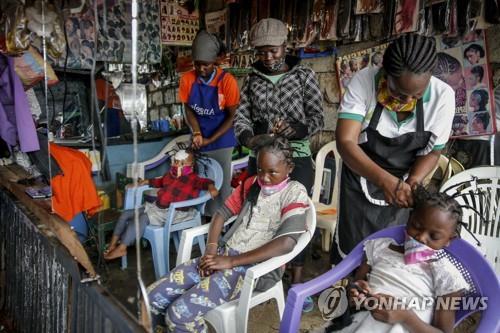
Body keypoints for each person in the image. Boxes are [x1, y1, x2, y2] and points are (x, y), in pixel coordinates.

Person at [146, 136, 310, 332]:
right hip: (224, 255)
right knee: (152, 297)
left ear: (289, 169)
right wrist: (211, 251)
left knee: (178, 315)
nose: (264, 178)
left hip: (256, 268)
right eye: (260, 170)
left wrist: (231, 262)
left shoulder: (294, 192)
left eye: (272, 172)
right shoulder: (252, 185)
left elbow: (286, 243)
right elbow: (220, 215)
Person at [331, 33, 455, 265]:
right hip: (360, 177)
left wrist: (414, 182)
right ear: (385, 73)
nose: (406, 100)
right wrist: (385, 181)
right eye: (398, 92)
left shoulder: (443, 97)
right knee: (353, 253)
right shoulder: (364, 81)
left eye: (416, 95)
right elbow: (346, 142)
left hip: (405, 183)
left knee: (391, 256)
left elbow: (433, 151)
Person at [234, 18, 324, 292]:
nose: (268, 56)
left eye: (273, 50)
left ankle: (296, 280)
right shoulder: (251, 79)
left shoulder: (303, 76)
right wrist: (250, 138)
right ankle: (257, 271)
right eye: (261, 52)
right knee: (256, 213)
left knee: (296, 218)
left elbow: (318, 118)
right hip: (261, 159)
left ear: (285, 46)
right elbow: (240, 118)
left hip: (295, 157)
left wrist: (296, 129)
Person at [339, 187, 469, 332]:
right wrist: (356, 292)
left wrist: (406, 318)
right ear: (409, 218)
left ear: (449, 240)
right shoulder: (380, 248)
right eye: (416, 226)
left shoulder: (446, 275)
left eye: (434, 236)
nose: (421, 237)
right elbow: (355, 292)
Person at [104, 149, 218, 260]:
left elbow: (206, 182)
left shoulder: (193, 179)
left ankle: (122, 247)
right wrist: (147, 181)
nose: (178, 165)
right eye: (176, 161)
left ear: (191, 164)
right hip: (157, 207)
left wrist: (211, 188)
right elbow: (159, 181)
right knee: (126, 214)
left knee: (142, 218)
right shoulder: (170, 175)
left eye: (182, 163)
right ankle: (112, 245)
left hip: (175, 212)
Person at [179, 30, 240, 216]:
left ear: (215, 62)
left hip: (222, 140)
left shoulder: (227, 82)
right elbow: (188, 109)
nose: (201, 69)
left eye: (205, 65)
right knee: (201, 182)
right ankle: (201, 225)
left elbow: (232, 116)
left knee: (220, 186)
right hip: (200, 138)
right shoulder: (187, 79)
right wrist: (197, 133)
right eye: (197, 64)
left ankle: (221, 227)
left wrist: (211, 139)